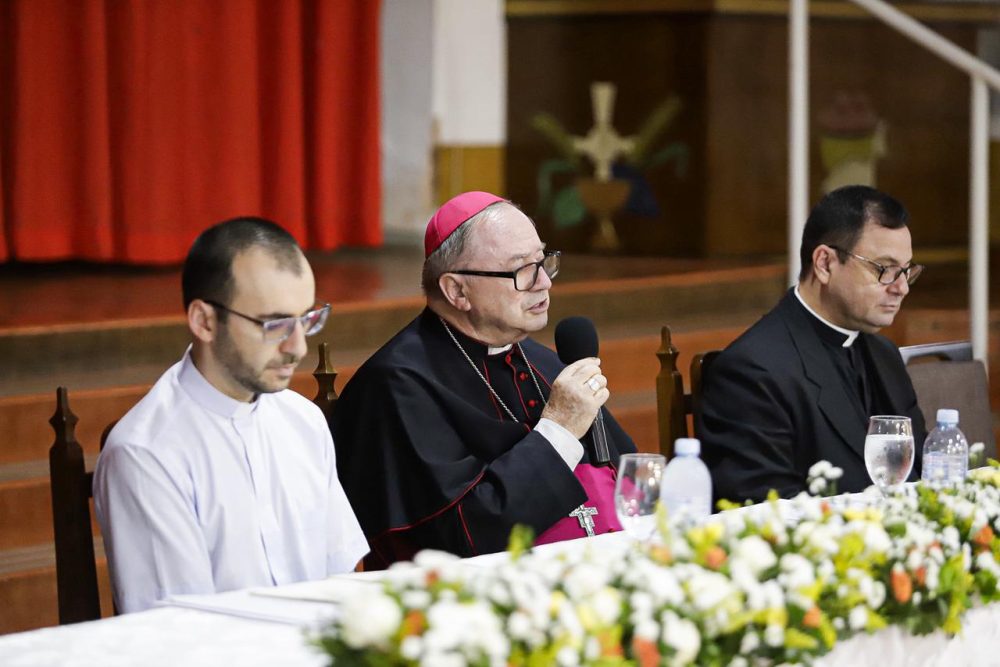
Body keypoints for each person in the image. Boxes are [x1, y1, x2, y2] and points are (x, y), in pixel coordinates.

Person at [332, 191, 636, 567]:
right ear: (456, 290)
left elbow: (632, 479)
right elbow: (459, 537)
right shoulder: (397, 385)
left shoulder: (543, 361)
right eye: (521, 269)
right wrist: (558, 429)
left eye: (543, 261)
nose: (544, 282)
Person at [94, 217, 367, 613]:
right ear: (204, 321)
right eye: (275, 324)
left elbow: (342, 577)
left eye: (306, 319)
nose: (298, 348)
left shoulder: (303, 421)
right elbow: (175, 634)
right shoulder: (147, 454)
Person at [698, 185, 928, 503]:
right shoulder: (752, 371)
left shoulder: (884, 354)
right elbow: (764, 509)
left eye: (906, 271)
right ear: (824, 264)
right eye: (885, 269)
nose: (901, 287)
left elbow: (922, 473)